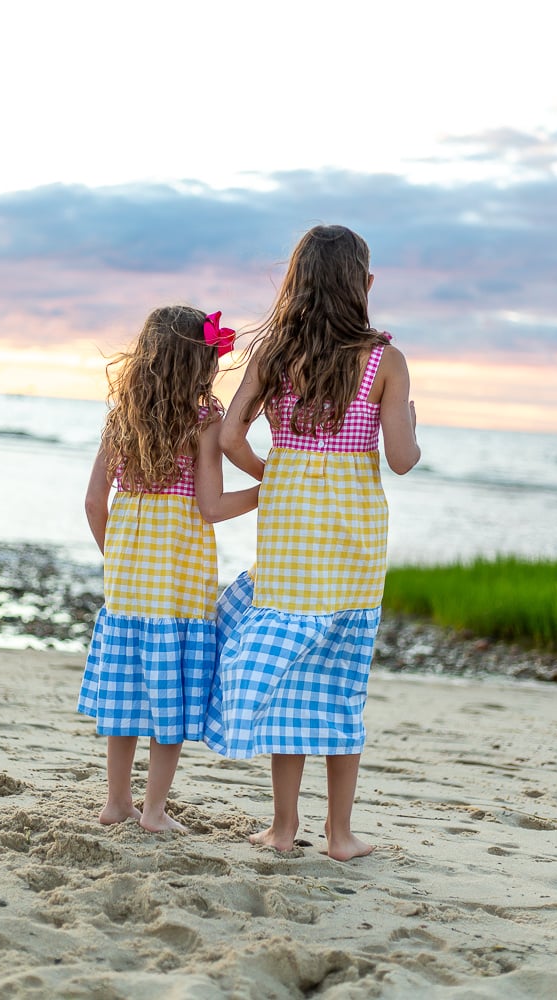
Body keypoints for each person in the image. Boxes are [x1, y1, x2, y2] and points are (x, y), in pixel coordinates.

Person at [204, 225, 420, 860]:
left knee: (292, 678)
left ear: (295, 284)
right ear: (366, 286)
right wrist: (408, 422)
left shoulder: (275, 355)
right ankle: (340, 833)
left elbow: (229, 437)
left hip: (291, 538)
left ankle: (281, 828)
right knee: (342, 680)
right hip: (355, 541)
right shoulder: (386, 360)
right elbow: (401, 460)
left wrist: (280, 476)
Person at [78, 305, 261, 833]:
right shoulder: (204, 421)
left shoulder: (121, 415)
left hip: (129, 582)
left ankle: (116, 802)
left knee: (126, 690)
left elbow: (94, 504)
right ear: (198, 363)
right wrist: (270, 487)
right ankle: (154, 811)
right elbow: (211, 507)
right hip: (179, 580)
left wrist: (118, 561)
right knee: (170, 693)